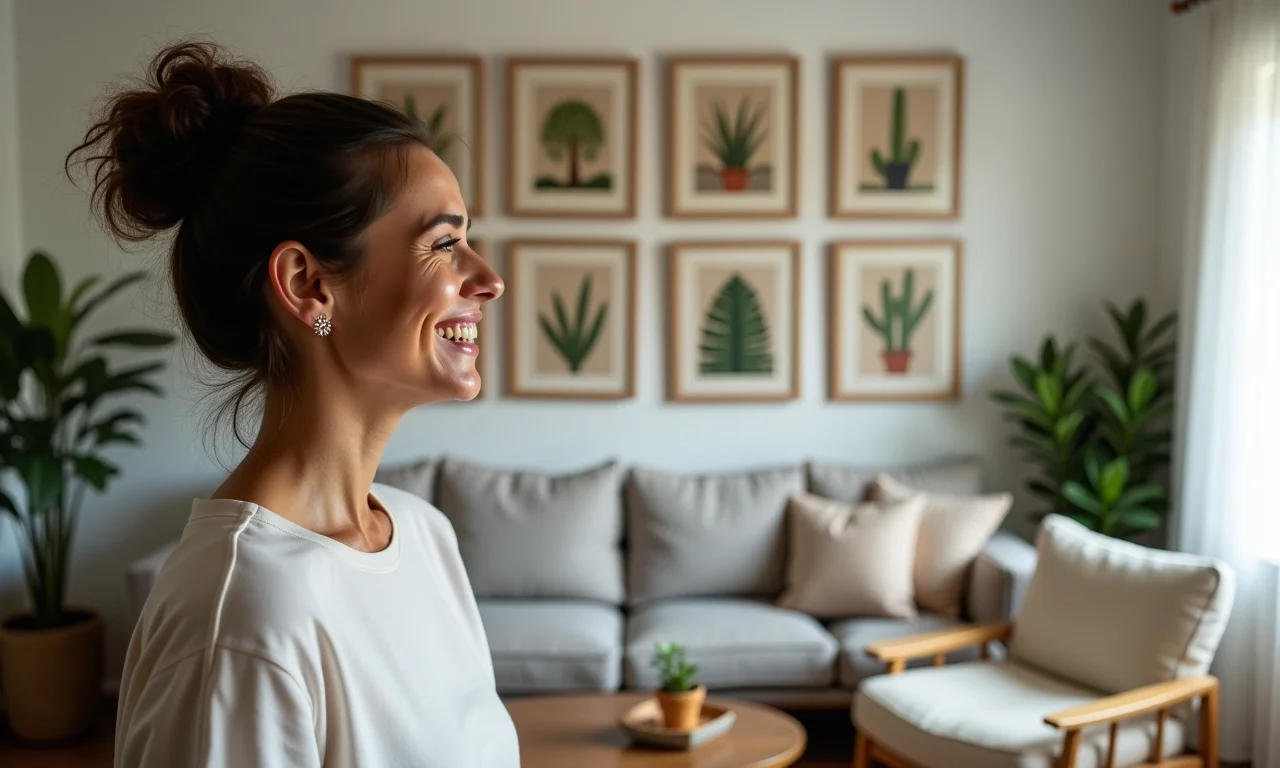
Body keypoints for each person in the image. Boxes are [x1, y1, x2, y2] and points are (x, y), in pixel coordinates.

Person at [68, 39, 518, 767]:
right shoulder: (240, 614)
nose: (489, 278)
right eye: (443, 244)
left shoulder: (423, 535)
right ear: (309, 286)